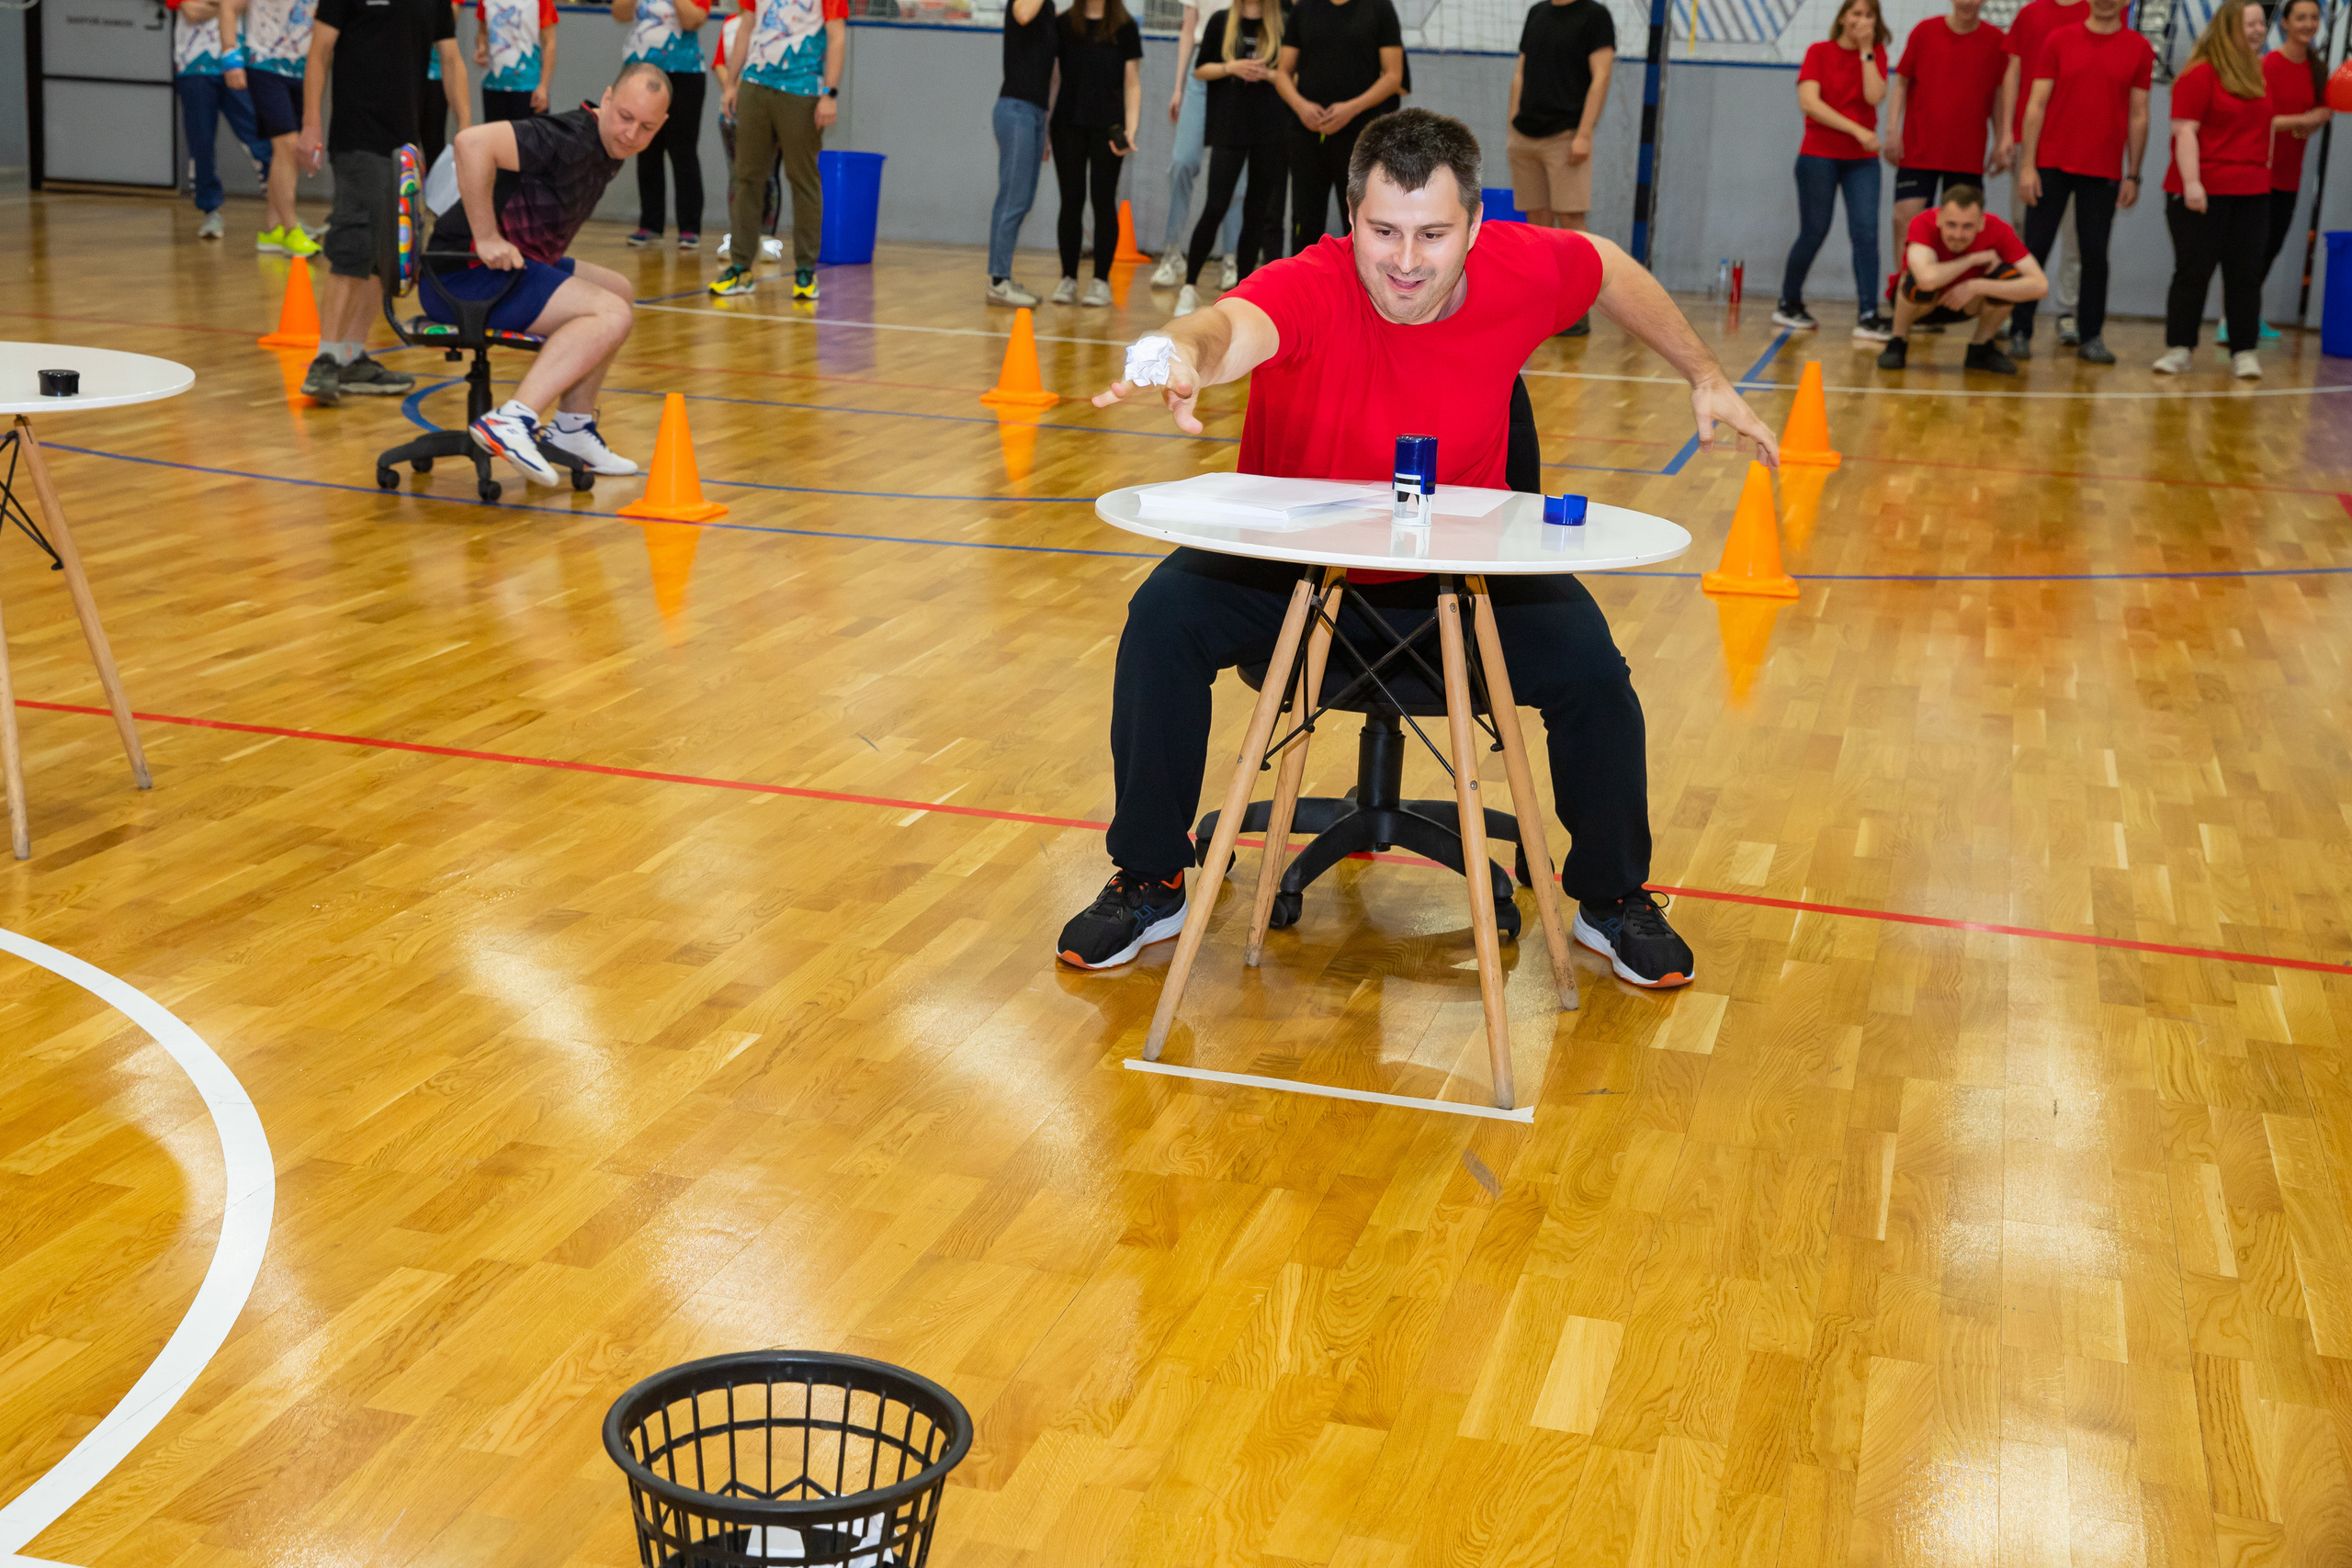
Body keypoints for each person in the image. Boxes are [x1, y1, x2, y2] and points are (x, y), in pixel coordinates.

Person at [1067, 108, 1779, 987]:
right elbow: (1226, 329)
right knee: (1161, 621)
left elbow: (1606, 267)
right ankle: (1151, 878)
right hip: (1295, 577)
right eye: (1384, 231)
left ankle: (1611, 896)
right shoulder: (1309, 285)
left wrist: (1706, 375)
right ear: (1351, 218)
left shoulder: (1519, 268)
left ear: (1477, 227)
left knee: (1594, 675)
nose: (1406, 261)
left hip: (1461, 573)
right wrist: (1175, 350)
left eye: (1434, 235)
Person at [429, 66, 671, 483]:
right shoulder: (569, 136)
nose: (631, 134)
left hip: (512, 268)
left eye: (646, 127)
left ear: (661, 125)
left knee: (617, 289)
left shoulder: (609, 148)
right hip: (462, 275)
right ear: (607, 98)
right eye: (625, 117)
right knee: (611, 314)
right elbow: (470, 143)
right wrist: (485, 236)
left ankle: (573, 428)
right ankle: (513, 419)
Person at [291, 0, 470, 405]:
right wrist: (310, 123)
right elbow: (320, 51)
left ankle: (352, 356)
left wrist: (467, 128)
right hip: (358, 135)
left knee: (386, 254)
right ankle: (325, 357)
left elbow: (452, 58)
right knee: (354, 242)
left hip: (406, 144)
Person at [2014, 0, 2151, 365]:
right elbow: (2036, 104)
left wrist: (2133, 173)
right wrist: (2027, 166)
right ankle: (2019, 330)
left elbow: (2139, 114)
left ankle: (2091, 336)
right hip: (2050, 165)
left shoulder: (2138, 49)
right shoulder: (2059, 40)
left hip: (2103, 170)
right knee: (2034, 249)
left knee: (2094, 256)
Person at [2154, 0, 2273, 378]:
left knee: (2245, 275)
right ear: (2228, 28)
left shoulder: (2258, 74)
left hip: (2251, 192)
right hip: (2203, 191)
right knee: (2193, 273)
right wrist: (2193, 184)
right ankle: (2179, 348)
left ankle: (2244, 351)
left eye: (2261, 24)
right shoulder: (2200, 74)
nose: (2259, 30)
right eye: (2250, 24)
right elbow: (2184, 130)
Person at [711, 0, 848, 300]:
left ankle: (805, 270)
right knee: (746, 177)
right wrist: (731, 85)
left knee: (803, 179)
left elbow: (837, 35)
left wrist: (831, 93)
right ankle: (740, 267)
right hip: (755, 85)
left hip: (802, 91)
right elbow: (747, 26)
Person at [1776, 0, 1892, 341]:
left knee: (1866, 233)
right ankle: (1789, 301)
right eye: (1856, 13)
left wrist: (1868, 51)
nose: (1862, 20)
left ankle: (1868, 313)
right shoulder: (1819, 52)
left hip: (1862, 162)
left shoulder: (1875, 55)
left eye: (1869, 15)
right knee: (1814, 230)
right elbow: (1809, 102)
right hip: (1819, 155)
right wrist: (1856, 130)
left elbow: (1874, 97)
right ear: (1842, 18)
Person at [1882, 0, 2005, 311]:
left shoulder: (1995, 41)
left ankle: (1949, 301)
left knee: (1962, 229)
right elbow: (1902, 84)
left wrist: (2003, 137)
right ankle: (1907, 295)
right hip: (1919, 148)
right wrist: (1892, 130)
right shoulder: (1924, 32)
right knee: (1905, 220)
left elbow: (1999, 94)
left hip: (1966, 153)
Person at [1171, 0, 1289, 316]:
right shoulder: (1221, 21)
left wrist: (1268, 74)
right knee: (1215, 206)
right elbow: (1201, 69)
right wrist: (1231, 67)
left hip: (1270, 130)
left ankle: (1243, 293)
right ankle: (1190, 286)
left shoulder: (1284, 24)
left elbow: (1295, 77)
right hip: (1229, 127)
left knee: (1255, 213)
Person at [1508, 0, 1613, 337]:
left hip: (1566, 136)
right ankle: (1541, 306)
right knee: (1536, 223)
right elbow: (1521, 72)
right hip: (1526, 135)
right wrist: (1512, 126)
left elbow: (1601, 76)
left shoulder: (1595, 16)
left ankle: (1576, 309)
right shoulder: (1537, 13)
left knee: (1570, 222)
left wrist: (1584, 133)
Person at [1274, 0, 1404, 255]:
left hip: (1361, 137)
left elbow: (1393, 76)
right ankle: (1303, 291)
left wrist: (1352, 108)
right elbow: (1282, 73)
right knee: (1305, 222)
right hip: (1307, 135)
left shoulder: (1379, 8)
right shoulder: (1304, 9)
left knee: (1361, 222)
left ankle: (1360, 293)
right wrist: (1301, 107)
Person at [1875, 183, 2046, 373]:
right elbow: (1927, 280)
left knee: (2008, 276)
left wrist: (1977, 286)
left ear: (1981, 223)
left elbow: (2040, 286)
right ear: (1939, 218)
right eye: (1951, 225)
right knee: (1916, 280)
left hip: (1966, 304)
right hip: (1921, 304)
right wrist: (1972, 259)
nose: (1957, 235)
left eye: (1967, 226)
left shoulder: (1997, 229)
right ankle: (1898, 341)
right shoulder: (1922, 223)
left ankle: (1980, 349)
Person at [1999, 0, 2085, 350]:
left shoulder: (2096, 12)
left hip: (2076, 143)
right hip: (2029, 140)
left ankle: (2067, 310)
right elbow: (2013, 73)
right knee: (2022, 229)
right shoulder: (2030, 14)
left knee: (2075, 233)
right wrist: (2006, 130)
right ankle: (2014, 306)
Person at [1047, 0, 1143, 307]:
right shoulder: (1064, 25)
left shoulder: (1125, 27)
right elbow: (1055, 79)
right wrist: (1045, 128)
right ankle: (1068, 278)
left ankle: (1101, 280)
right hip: (1067, 124)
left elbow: (1132, 84)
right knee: (1071, 200)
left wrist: (1130, 129)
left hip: (1108, 128)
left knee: (1103, 201)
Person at [1152, 1, 1245, 294]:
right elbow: (1188, 28)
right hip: (1202, 65)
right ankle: (1172, 252)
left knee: (1235, 175)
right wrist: (1178, 87)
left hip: (1239, 64)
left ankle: (1231, 259)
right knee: (1182, 162)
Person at [169, 0, 274, 242]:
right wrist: (228, 6)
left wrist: (213, 5)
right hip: (193, 66)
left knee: (262, 136)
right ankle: (210, 210)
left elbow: (255, 7)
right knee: (201, 143)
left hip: (237, 64)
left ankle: (282, 213)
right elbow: (191, 11)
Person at [221, 0, 320, 256]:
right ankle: (290, 229)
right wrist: (230, 55)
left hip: (303, 69)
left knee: (288, 152)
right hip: (264, 63)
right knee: (287, 145)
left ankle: (273, 228)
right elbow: (228, 7)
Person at [616, 0, 709, 250]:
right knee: (645, 148)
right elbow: (619, 13)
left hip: (685, 72)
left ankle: (689, 228)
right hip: (641, 68)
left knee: (683, 150)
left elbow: (693, 20)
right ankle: (651, 224)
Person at [986, 0, 1057, 306]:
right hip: (1015, 109)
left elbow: (1053, 71)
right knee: (1012, 197)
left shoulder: (1050, 9)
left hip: (1036, 113)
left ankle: (1005, 277)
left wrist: (1047, 128)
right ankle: (998, 282)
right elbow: (1023, 14)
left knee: (1024, 199)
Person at [2262, 0, 2332, 306]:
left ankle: (2247, 317)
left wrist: (2314, 122)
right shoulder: (2268, 66)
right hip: (2260, 173)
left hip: (2289, 175)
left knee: (2271, 247)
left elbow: (2320, 109)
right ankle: (2234, 321)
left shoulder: (2316, 68)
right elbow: (2260, 122)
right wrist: (2302, 120)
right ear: (2284, 23)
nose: (2308, 24)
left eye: (2313, 18)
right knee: (2251, 253)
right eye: (2300, 17)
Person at [473, 0, 558, 122]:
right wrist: (481, 48)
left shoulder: (540, 2)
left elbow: (550, 43)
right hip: (494, 84)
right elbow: (482, 33)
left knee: (527, 138)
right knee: (496, 139)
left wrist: (543, 86)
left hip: (527, 85)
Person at [421, 2, 475, 174]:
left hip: (435, 74)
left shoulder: (440, 7)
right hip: (403, 80)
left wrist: (465, 122)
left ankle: (434, 195)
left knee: (433, 142)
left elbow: (452, 59)